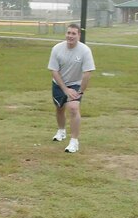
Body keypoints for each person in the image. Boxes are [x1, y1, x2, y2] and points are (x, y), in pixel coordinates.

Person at [47, 24, 95, 153]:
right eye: (68, 33)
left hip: (75, 84)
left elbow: (87, 73)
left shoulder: (85, 51)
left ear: (79, 35)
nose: (70, 36)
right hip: (59, 83)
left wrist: (80, 91)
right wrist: (64, 89)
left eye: (74, 33)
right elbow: (54, 71)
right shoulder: (57, 48)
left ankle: (74, 141)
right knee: (59, 108)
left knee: (73, 108)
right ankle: (61, 131)